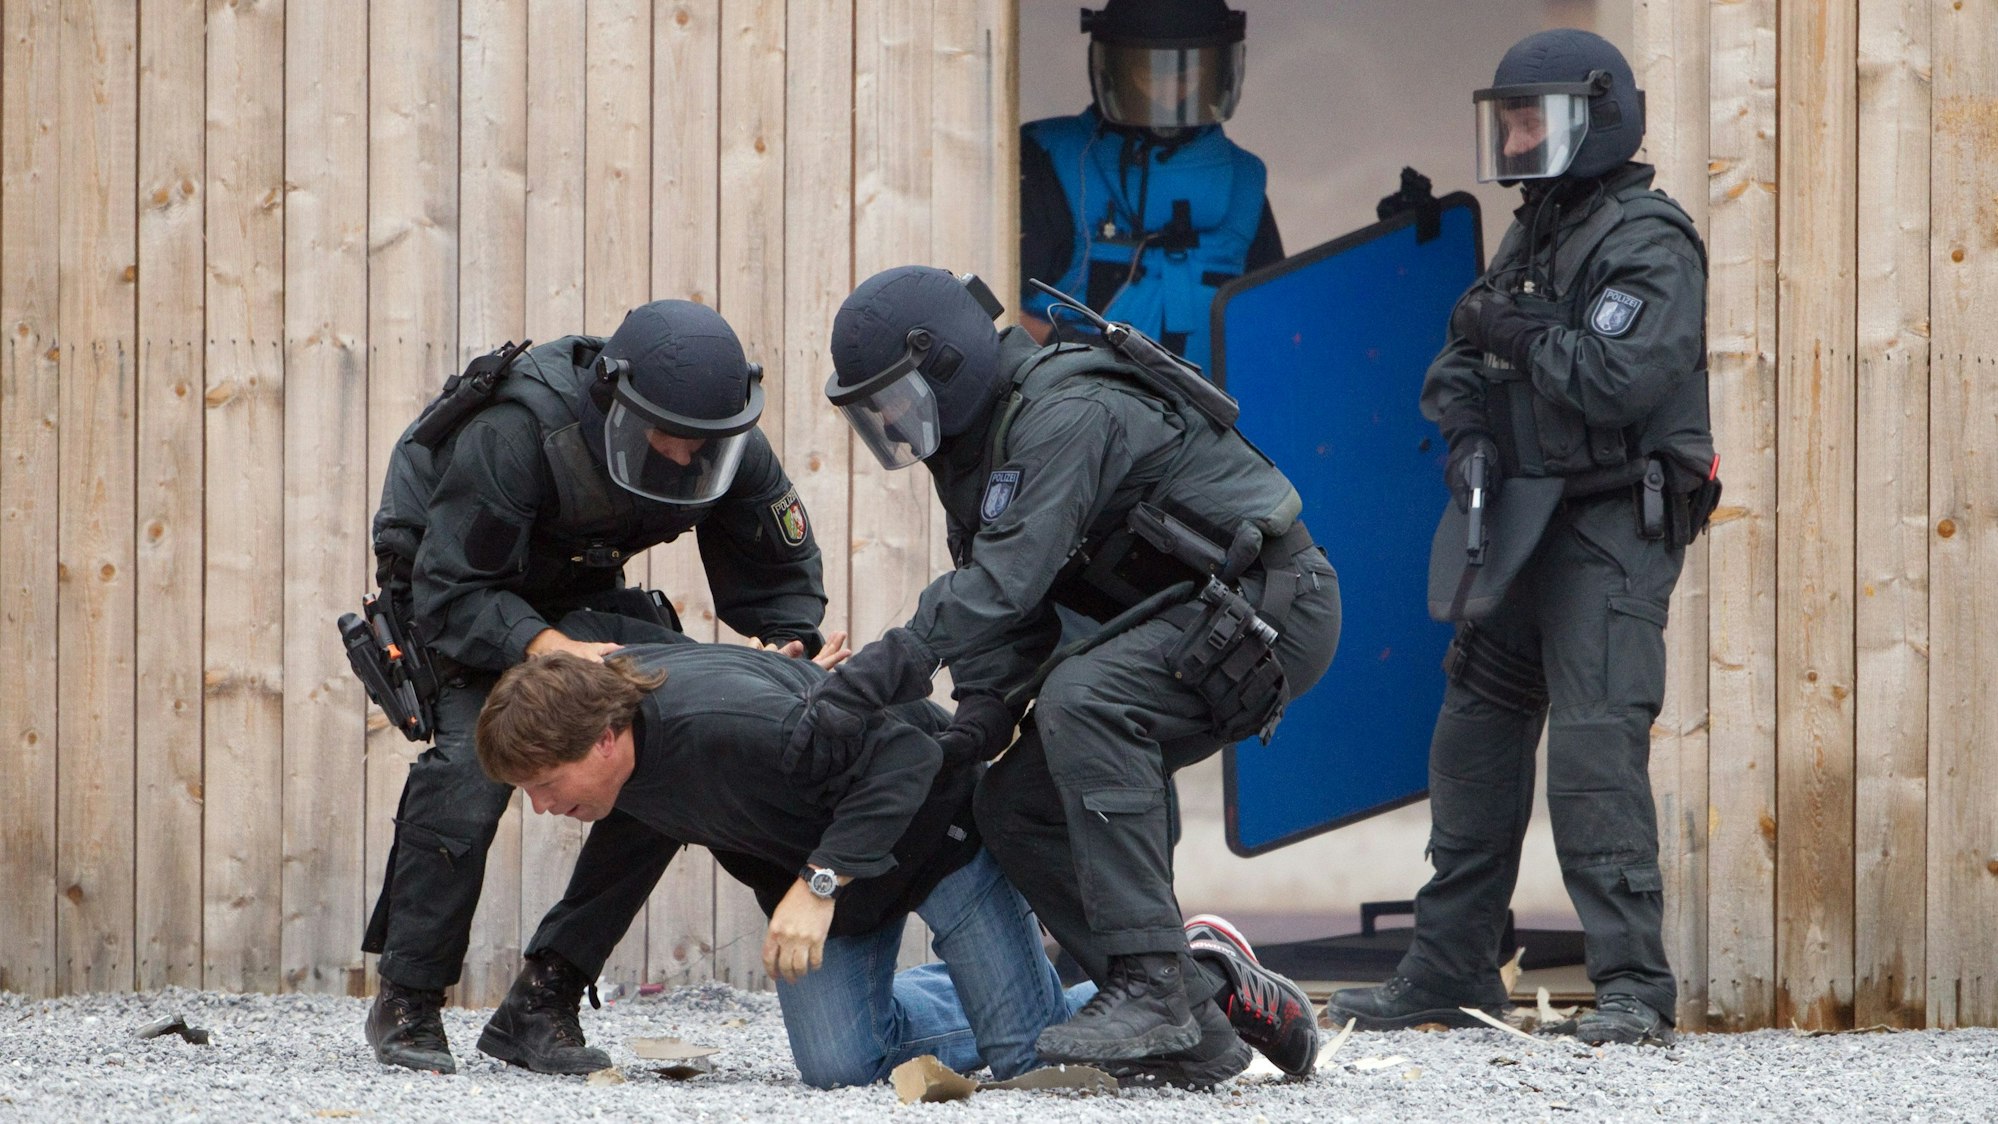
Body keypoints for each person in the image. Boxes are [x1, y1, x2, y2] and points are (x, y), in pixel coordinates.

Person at [813, 265, 1339, 1087]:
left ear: (943, 364)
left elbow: (1003, 584)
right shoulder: (974, 447)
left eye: (894, 397)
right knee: (1013, 805)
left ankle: (1153, 979)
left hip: (1274, 608)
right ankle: (1199, 1019)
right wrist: (979, 718)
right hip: (1186, 622)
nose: (887, 420)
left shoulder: (1067, 410)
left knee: (1085, 699)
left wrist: (881, 672)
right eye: (873, 410)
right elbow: (1014, 611)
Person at [1324, 29, 1719, 1048]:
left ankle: (1632, 987)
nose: (1513, 136)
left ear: (1597, 119)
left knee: (1593, 751)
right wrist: (1464, 439)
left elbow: (1614, 376)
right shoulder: (1540, 229)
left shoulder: (1648, 237)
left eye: (1531, 117)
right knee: (1472, 742)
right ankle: (1452, 970)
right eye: (1507, 118)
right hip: (1519, 517)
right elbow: (1456, 361)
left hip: (1606, 523)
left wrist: (1514, 338)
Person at [362, 300, 836, 1075]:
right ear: (615, 407)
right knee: (469, 771)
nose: (686, 460)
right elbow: (453, 592)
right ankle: (408, 999)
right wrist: (553, 649)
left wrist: (785, 644)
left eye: (702, 450)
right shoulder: (515, 431)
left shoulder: (714, 435)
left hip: (579, 602)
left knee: (664, 748)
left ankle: (543, 999)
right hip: (461, 595)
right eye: (668, 444)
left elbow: (780, 572)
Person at [473, 644, 1083, 1088]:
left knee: (1029, 1057)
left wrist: (818, 885)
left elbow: (908, 756)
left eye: (547, 784)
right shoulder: (614, 733)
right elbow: (615, 862)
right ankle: (992, 986)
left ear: (604, 739)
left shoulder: (734, 729)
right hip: (837, 874)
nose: (543, 807)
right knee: (838, 1068)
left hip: (936, 829)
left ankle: (1133, 985)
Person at [1019, 0, 1282, 371]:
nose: (1169, 94)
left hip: (1211, 422)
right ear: (1114, 71)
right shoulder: (1049, 161)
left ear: (1219, 70)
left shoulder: (1244, 181)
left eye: (1186, 74)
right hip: (1076, 415)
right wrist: (1070, 353)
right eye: (1150, 72)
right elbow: (986, 301)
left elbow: (1280, 326)